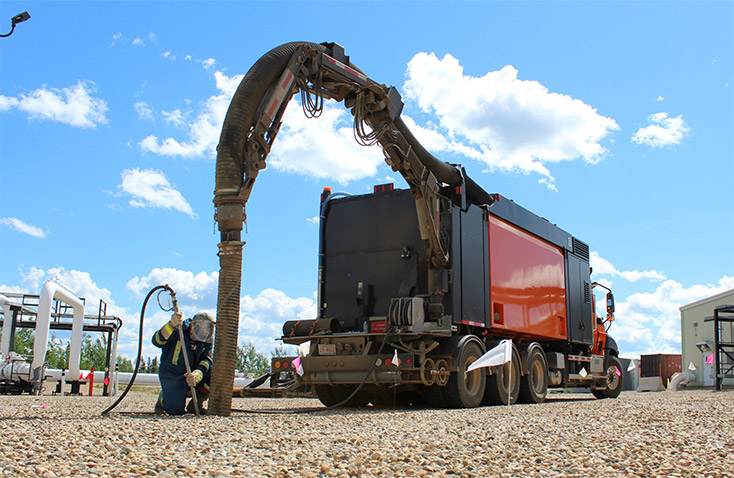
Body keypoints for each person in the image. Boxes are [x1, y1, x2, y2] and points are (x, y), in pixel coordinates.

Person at [152, 311, 215, 415]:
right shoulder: (178, 330)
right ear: (193, 325)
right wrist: (170, 325)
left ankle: (196, 404)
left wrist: (198, 374)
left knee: (217, 375)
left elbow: (206, 360)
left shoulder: (207, 339)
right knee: (175, 411)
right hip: (173, 375)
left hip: (192, 376)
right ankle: (163, 399)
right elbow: (157, 341)